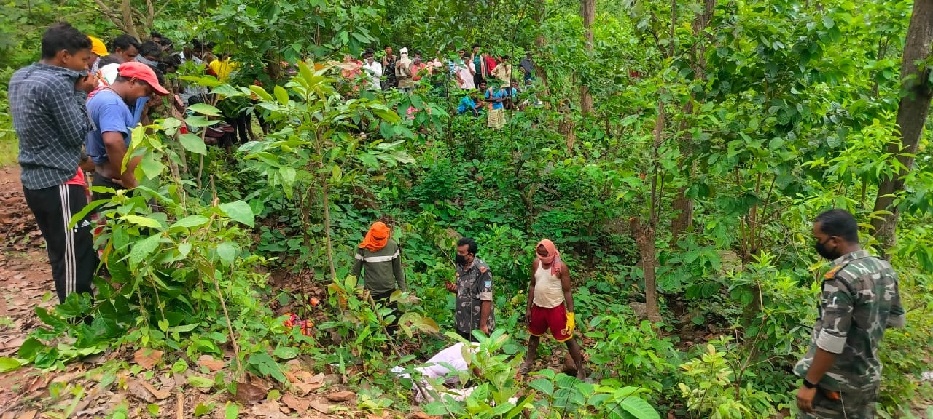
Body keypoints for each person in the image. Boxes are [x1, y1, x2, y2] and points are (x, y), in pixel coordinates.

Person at [8, 22, 99, 304]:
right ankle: (77, 317)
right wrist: (82, 93)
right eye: (83, 60)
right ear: (64, 56)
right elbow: (75, 133)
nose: (86, 67)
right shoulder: (58, 83)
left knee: (61, 249)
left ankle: (77, 309)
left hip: (34, 179)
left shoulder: (21, 76)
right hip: (59, 180)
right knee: (74, 252)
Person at [794, 209, 905, 418]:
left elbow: (832, 339)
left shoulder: (841, 278)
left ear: (834, 241)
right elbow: (894, 319)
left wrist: (809, 383)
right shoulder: (884, 268)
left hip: (834, 384)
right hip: (867, 378)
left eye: (818, 239)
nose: (817, 244)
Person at [86, 62, 169, 200]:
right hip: (117, 185)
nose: (146, 97)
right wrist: (128, 180)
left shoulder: (104, 97)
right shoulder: (111, 103)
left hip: (111, 180)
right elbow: (112, 142)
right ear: (133, 81)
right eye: (146, 91)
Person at [518, 239, 585, 379]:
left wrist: (571, 314)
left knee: (568, 339)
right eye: (540, 255)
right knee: (534, 336)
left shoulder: (561, 268)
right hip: (538, 307)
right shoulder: (536, 264)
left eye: (546, 255)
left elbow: (567, 291)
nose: (543, 258)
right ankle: (528, 362)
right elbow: (532, 285)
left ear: (553, 253)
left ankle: (580, 369)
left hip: (555, 308)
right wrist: (528, 308)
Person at [446, 237, 494, 341]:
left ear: (470, 255)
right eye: (458, 251)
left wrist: (483, 325)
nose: (458, 254)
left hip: (477, 324)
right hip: (462, 322)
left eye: (461, 252)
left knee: (477, 350)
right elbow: (464, 289)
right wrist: (454, 288)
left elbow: (486, 299)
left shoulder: (482, 270)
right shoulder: (460, 266)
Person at [351, 221, 408, 304]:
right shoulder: (363, 248)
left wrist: (403, 291)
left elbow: (398, 270)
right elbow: (355, 272)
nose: (379, 241)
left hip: (390, 293)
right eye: (377, 239)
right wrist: (350, 292)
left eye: (381, 238)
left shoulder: (392, 246)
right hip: (371, 294)